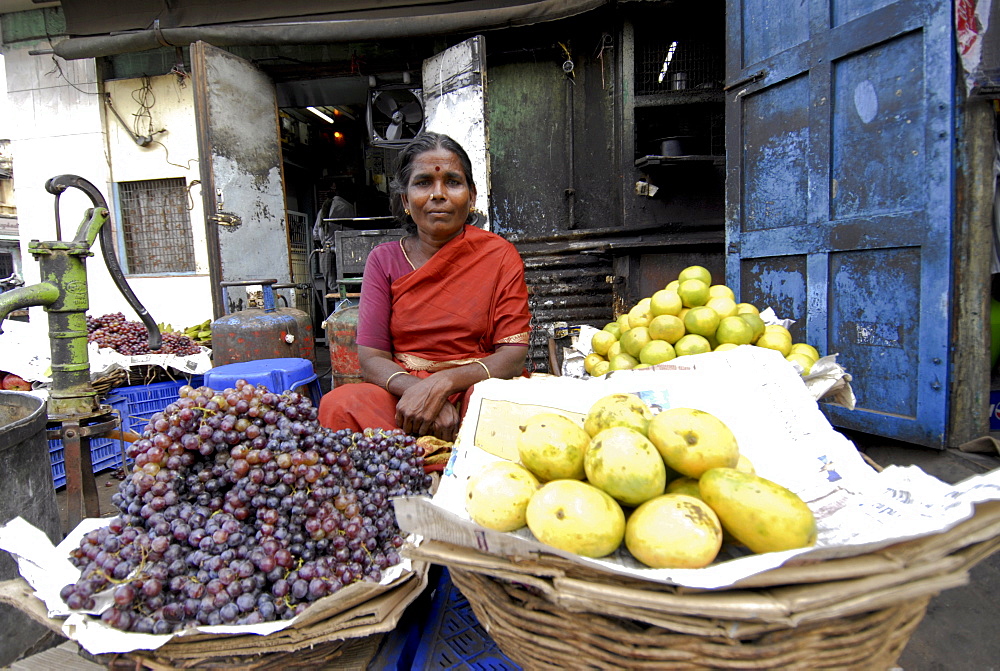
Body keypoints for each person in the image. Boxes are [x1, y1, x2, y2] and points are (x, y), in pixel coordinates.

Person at [318, 132, 531, 441]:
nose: (438, 194)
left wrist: (441, 386)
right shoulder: (384, 260)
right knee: (339, 405)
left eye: (453, 182)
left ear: (471, 197)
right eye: (423, 183)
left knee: (513, 411)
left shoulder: (499, 255)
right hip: (405, 393)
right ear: (405, 200)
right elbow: (372, 359)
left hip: (477, 385)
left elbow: (511, 355)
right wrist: (421, 393)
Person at [312, 179, 357, 294]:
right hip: (340, 251)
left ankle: (335, 305)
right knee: (344, 284)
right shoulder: (345, 207)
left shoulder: (324, 208)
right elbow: (350, 233)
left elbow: (316, 234)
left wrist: (323, 249)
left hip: (325, 250)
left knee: (331, 285)